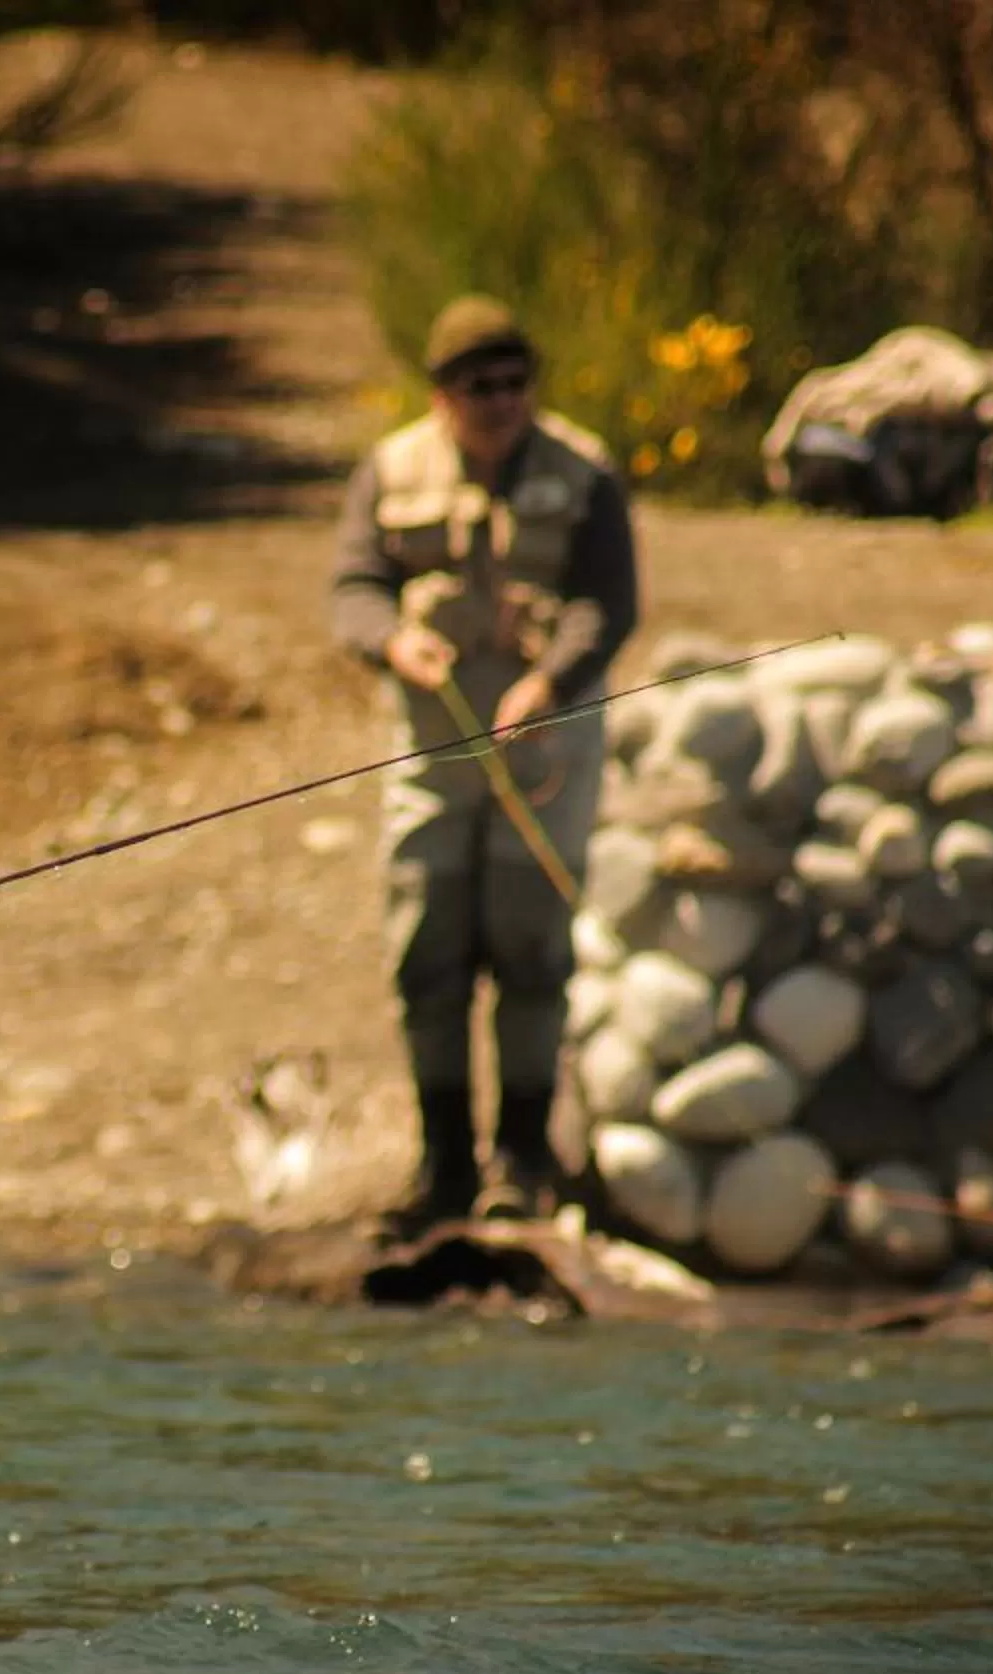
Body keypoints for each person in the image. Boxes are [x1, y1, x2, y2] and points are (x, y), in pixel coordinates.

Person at [330, 295, 640, 1231]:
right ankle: (443, 1167)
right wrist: (393, 642)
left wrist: (550, 679)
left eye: (516, 383)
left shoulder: (584, 472)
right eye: (480, 387)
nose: (502, 401)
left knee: (530, 948)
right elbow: (354, 589)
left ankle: (523, 1159)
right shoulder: (389, 471)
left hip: (546, 751)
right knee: (428, 951)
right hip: (431, 754)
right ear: (441, 394)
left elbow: (607, 602)